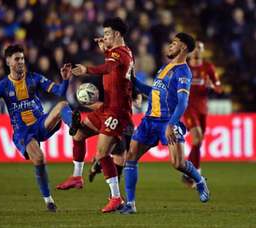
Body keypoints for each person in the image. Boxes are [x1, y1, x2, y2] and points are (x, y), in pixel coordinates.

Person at [0, 44, 78, 212]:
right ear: (8, 61)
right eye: (17, 59)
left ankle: (74, 126)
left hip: (41, 123)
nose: (21, 62)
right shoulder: (3, 86)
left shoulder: (34, 78)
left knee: (62, 105)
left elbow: (59, 91)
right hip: (23, 132)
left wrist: (66, 79)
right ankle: (49, 201)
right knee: (39, 159)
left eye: (22, 58)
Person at [119, 33, 210, 215]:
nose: (169, 46)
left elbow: (183, 102)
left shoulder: (184, 72)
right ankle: (130, 204)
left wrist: (171, 124)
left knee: (177, 163)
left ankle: (200, 181)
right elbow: (152, 91)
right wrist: (134, 80)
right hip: (149, 120)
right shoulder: (164, 67)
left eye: (174, 43)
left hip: (168, 121)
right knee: (130, 156)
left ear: (183, 47)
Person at [56, 17, 134, 213]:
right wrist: (106, 50)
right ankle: (76, 176)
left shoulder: (121, 53)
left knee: (101, 154)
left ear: (117, 34)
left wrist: (86, 69)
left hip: (117, 112)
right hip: (106, 107)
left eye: (107, 33)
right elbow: (111, 66)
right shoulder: (118, 52)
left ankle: (116, 197)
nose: (104, 36)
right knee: (78, 134)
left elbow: (108, 68)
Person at [182, 41, 222, 187]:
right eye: (195, 48)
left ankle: (193, 172)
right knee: (197, 137)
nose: (197, 51)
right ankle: (191, 171)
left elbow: (219, 87)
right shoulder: (184, 67)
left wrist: (212, 86)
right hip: (187, 107)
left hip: (202, 108)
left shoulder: (208, 67)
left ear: (203, 50)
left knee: (198, 142)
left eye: (200, 48)